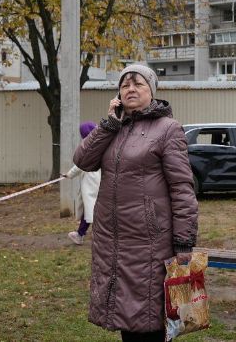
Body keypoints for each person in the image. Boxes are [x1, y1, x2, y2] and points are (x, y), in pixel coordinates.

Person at [73, 63, 198, 341]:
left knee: (151, 319)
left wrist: (184, 241)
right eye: (125, 84)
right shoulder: (114, 128)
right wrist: (108, 124)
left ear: (151, 91)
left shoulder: (168, 129)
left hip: (150, 241)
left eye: (138, 84)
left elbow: (182, 188)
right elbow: (83, 160)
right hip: (113, 239)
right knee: (127, 318)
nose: (130, 89)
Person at [63, 121, 100, 245]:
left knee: (91, 210)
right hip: (101, 180)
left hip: (92, 182)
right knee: (93, 209)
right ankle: (81, 233)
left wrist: (69, 174)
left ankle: (81, 235)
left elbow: (80, 165)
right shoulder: (102, 143)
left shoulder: (89, 148)